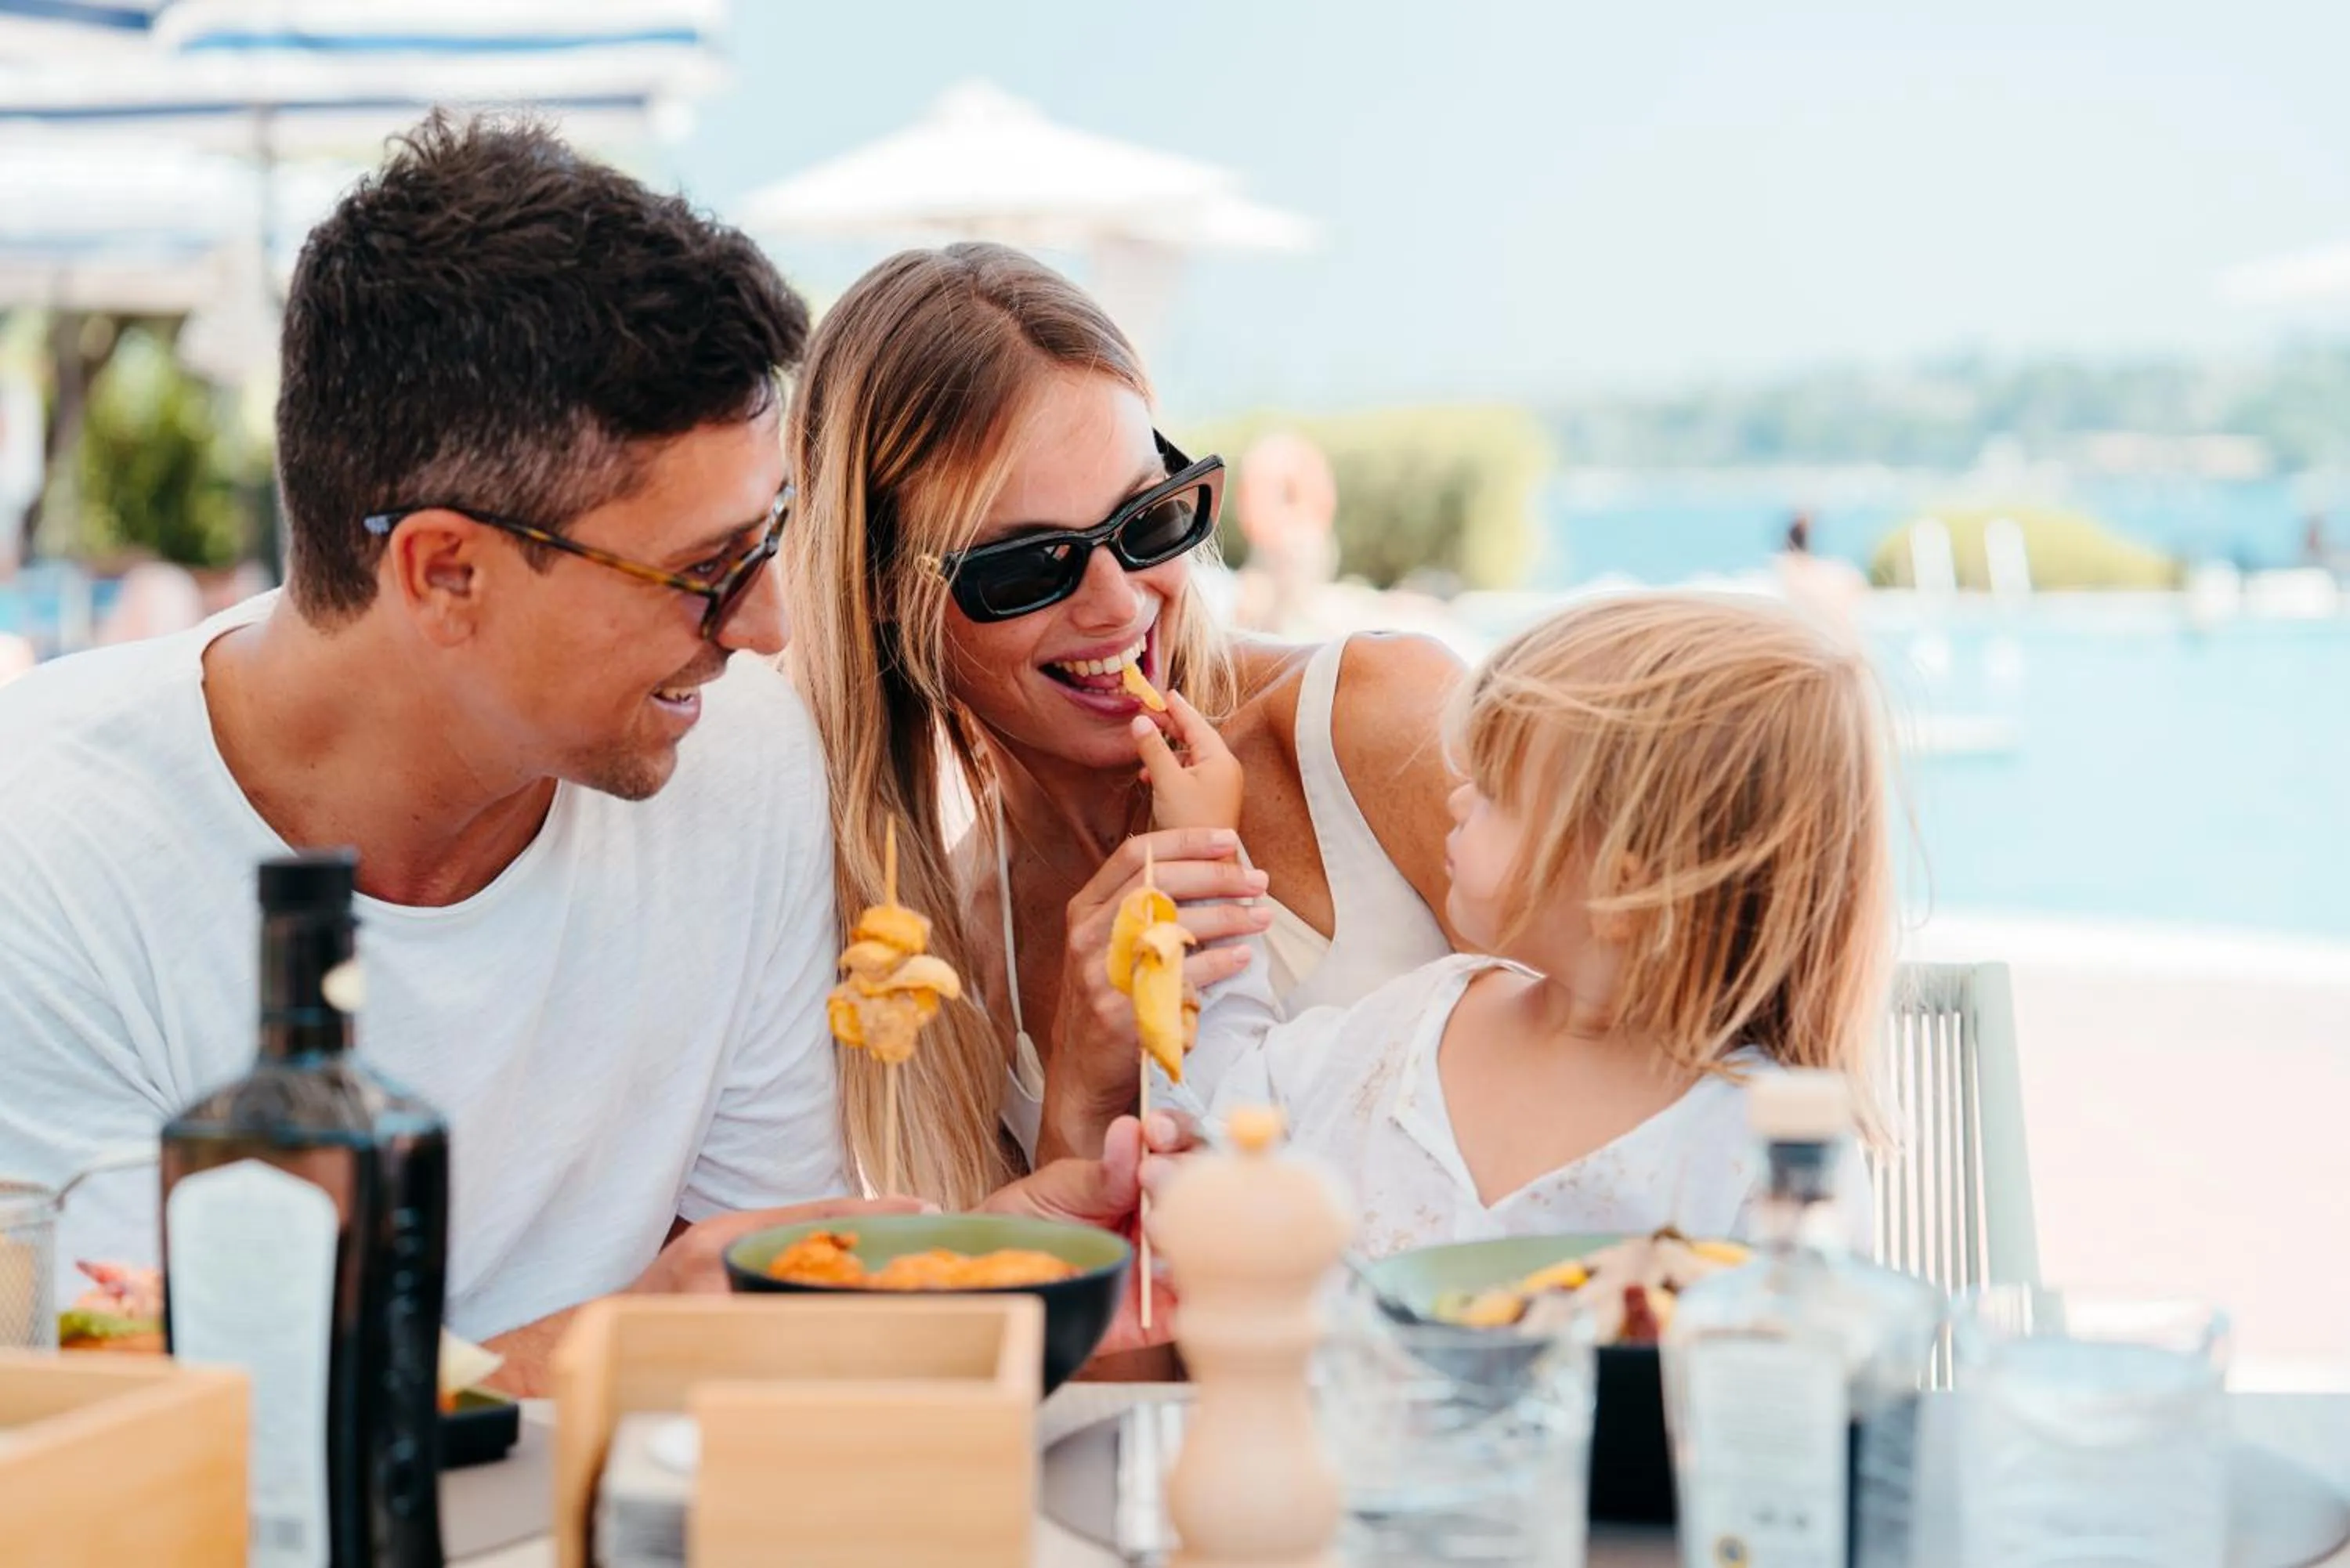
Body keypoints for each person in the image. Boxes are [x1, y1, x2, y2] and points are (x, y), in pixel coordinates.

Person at [0, 117, 1160, 1395]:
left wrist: (964, 1269)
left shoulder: (744, 759)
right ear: (447, 571)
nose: (769, 623)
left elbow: (756, 1283)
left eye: (767, 537)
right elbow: (144, 1429)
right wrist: (632, 1336)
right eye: (706, 570)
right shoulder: (44, 844)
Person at [782, 243, 1464, 1203]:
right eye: (1027, 566)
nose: (1117, 604)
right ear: (886, 599)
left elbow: (1662, 1047)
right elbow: (1086, 1339)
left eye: (1147, 520)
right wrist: (1079, 1099)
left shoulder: (1372, 719)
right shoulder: (944, 946)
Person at [1204, 591, 1886, 1255]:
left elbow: (1818, 1353)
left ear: (1625, 887)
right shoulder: (1414, 1024)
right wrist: (1203, 843)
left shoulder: (1771, 1152)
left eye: (1498, 793)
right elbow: (1219, 1109)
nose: (1461, 797)